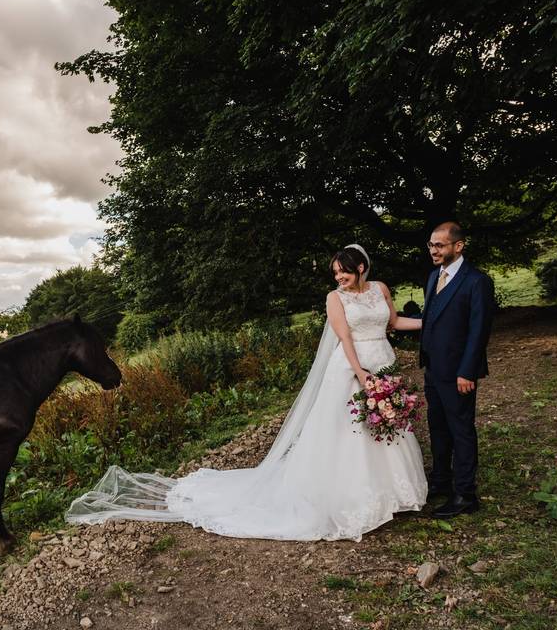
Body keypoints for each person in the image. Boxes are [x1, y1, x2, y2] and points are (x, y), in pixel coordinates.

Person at [66, 244, 427, 541]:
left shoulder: (380, 290)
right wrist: (360, 372)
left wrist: (431, 321)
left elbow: (394, 322)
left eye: (343, 272)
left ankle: (393, 494)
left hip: (383, 362)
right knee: (350, 433)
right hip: (352, 369)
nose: (339, 278)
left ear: (361, 267)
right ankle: (351, 499)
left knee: (385, 424)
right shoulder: (336, 299)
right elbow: (345, 338)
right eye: (335, 273)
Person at [420, 222, 495, 518]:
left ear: (459, 246)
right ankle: (440, 481)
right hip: (433, 369)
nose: (433, 250)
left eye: (439, 245)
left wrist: (467, 371)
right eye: (431, 245)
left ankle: (464, 494)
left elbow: (479, 331)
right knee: (437, 427)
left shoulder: (477, 281)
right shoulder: (432, 277)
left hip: (458, 373)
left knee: (461, 430)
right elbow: (433, 319)